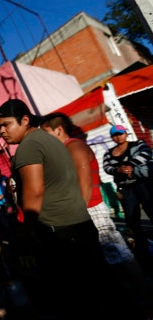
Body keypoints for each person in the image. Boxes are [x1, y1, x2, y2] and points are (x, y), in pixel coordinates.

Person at [0, 99, 122, 319]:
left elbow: (34, 192)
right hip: (79, 225)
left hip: (59, 232)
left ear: (25, 120)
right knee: (100, 291)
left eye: (6, 124)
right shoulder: (48, 139)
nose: (2, 131)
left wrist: (26, 233)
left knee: (75, 299)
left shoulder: (29, 146)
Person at [41, 113, 153, 315]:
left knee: (121, 255)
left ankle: (146, 301)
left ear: (58, 130)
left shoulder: (73, 146)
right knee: (113, 259)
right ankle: (135, 302)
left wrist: (77, 217)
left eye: (46, 133)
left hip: (90, 209)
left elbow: (83, 186)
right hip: (85, 211)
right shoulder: (65, 149)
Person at [102, 124, 153, 270]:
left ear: (126, 134)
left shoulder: (138, 144)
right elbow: (107, 167)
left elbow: (146, 154)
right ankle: (144, 256)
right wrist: (118, 169)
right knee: (132, 220)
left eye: (120, 133)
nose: (118, 136)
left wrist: (130, 166)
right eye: (115, 135)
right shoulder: (109, 152)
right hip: (126, 189)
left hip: (143, 184)